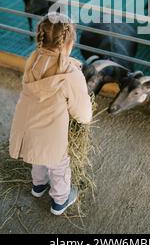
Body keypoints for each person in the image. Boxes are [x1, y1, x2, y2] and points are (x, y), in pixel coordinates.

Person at [9, 13, 92, 215]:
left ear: (41, 37)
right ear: (69, 42)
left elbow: (51, 63)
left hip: (27, 123)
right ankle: (60, 201)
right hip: (52, 130)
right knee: (59, 164)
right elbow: (81, 110)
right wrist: (83, 121)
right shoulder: (71, 75)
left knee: (37, 154)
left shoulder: (33, 59)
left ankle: (38, 186)